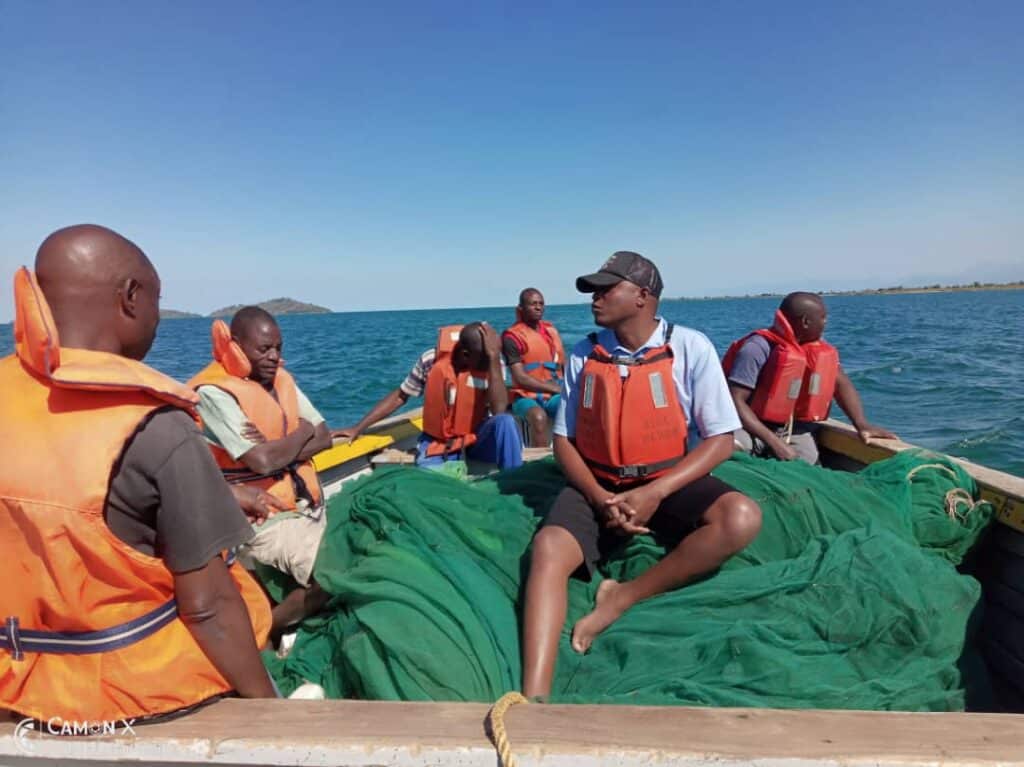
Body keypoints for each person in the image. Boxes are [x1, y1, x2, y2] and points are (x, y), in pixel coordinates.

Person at [0, 225, 274, 725]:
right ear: (130, 297)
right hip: (124, 698)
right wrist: (270, 714)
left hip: (13, 684)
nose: (157, 319)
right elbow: (208, 607)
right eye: (156, 302)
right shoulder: (157, 427)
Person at [521, 251, 762, 700]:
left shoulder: (691, 347)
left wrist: (656, 492)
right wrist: (597, 497)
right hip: (599, 483)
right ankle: (534, 699)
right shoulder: (583, 353)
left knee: (741, 517)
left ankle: (622, 597)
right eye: (594, 289)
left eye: (607, 289)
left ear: (642, 296)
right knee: (548, 547)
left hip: (667, 481)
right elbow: (563, 442)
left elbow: (721, 440)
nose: (595, 298)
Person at [188, 307, 333, 634]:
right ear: (236, 346)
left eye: (278, 348)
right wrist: (299, 433)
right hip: (262, 516)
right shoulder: (213, 392)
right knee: (334, 569)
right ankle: (262, 632)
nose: (273, 357)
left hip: (304, 505)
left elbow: (324, 437)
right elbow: (262, 462)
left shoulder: (281, 379)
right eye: (263, 349)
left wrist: (277, 445)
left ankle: (282, 619)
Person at [723, 291, 896, 464]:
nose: (825, 323)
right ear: (806, 321)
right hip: (750, 427)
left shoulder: (818, 350)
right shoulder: (757, 348)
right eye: (823, 318)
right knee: (730, 447)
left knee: (805, 464)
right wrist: (775, 443)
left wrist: (861, 424)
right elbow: (736, 401)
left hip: (795, 430)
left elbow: (842, 384)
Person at [332, 322, 523, 470]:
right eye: (485, 358)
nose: (490, 361)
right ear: (465, 355)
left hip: (476, 438)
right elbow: (401, 395)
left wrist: (493, 360)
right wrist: (358, 427)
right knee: (431, 483)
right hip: (439, 443)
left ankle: (513, 480)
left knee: (506, 422)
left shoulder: (493, 361)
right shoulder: (430, 360)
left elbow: (499, 410)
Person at [502, 288, 565, 447]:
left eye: (541, 304)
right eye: (533, 304)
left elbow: (562, 367)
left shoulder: (550, 332)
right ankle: (540, 463)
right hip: (525, 397)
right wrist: (554, 389)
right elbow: (520, 378)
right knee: (538, 417)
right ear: (521, 309)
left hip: (551, 396)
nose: (538, 307)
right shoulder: (512, 337)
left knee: (575, 409)